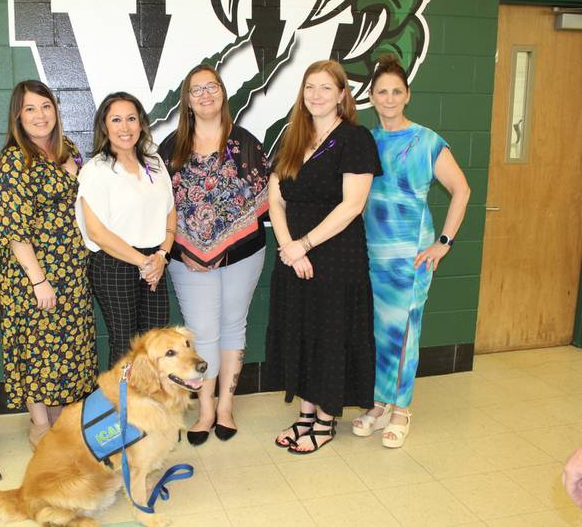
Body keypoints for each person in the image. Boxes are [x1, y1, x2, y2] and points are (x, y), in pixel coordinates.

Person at [352, 54, 470, 448]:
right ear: (372, 96)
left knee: (405, 333)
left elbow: (462, 190)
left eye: (396, 92)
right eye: (382, 92)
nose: (388, 99)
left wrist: (443, 244)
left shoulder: (426, 140)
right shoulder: (366, 140)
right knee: (381, 332)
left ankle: (402, 409)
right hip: (373, 256)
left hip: (412, 257)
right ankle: (381, 403)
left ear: (408, 95)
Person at [266, 60, 382, 454]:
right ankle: (305, 414)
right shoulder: (293, 137)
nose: (315, 95)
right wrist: (288, 247)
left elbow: (352, 205)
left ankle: (326, 420)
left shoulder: (355, 139)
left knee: (330, 335)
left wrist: (306, 244)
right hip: (293, 254)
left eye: (326, 88)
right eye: (309, 87)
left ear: (342, 95)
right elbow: (275, 199)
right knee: (301, 331)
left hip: (336, 257)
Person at [158, 65, 269, 445]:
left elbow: (263, 204)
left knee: (233, 325)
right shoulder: (171, 148)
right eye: (196, 90)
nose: (205, 95)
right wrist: (181, 247)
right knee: (201, 331)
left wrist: (226, 248)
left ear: (223, 93)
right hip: (186, 259)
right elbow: (160, 207)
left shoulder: (247, 143)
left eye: (212, 87)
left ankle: (225, 407)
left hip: (243, 255)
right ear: (186, 100)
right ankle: (204, 410)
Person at [0, 80, 98, 449]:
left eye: (45, 106)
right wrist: (39, 281)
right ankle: (40, 426)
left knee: (68, 349)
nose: (40, 116)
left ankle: (63, 424)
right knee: (37, 350)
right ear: (17, 117)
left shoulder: (66, 149)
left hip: (71, 271)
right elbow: (14, 230)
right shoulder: (14, 160)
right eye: (30, 109)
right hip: (33, 276)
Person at [76, 92, 175, 364]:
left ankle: (148, 405)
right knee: (125, 343)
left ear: (141, 123)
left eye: (131, 119)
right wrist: (144, 262)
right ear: (104, 126)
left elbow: (170, 211)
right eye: (116, 120)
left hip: (155, 261)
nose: (125, 127)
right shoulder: (96, 169)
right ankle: (122, 406)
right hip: (115, 265)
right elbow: (97, 233)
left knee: (154, 342)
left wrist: (162, 256)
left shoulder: (153, 161)